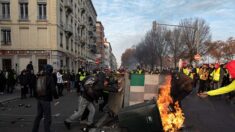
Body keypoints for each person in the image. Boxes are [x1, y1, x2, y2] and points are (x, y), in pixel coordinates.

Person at [32, 64, 59, 132]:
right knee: (47, 117)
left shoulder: (39, 76)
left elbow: (35, 87)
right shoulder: (49, 77)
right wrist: (56, 97)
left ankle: (34, 130)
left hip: (39, 99)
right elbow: (53, 89)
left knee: (39, 115)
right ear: (50, 70)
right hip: (46, 99)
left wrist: (36, 96)